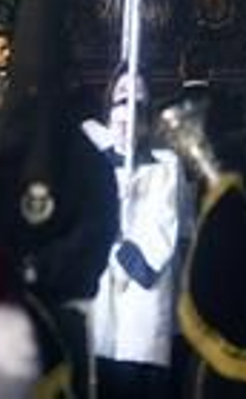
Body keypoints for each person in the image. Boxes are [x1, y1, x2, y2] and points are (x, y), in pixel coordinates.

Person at [84, 74, 188, 398]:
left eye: (136, 102)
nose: (126, 115)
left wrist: (125, 249)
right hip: (99, 295)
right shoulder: (91, 155)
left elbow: (163, 227)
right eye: (120, 99)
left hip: (141, 300)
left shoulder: (165, 165)